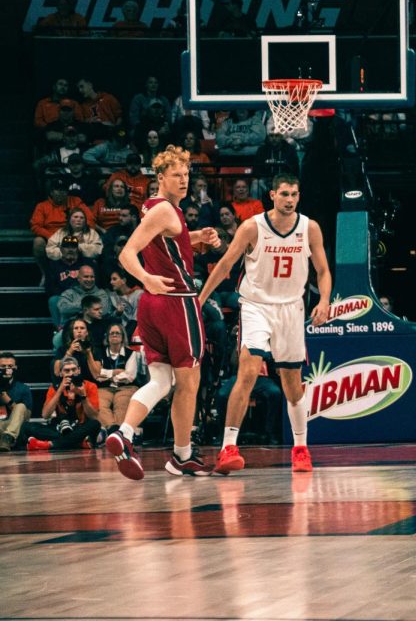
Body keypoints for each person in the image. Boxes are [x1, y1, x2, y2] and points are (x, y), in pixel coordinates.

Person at [197, 174, 331, 475]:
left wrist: (324, 300)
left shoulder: (309, 228)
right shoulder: (252, 227)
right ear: (272, 195)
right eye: (285, 194)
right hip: (256, 305)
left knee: (292, 383)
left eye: (295, 194)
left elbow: (322, 270)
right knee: (247, 369)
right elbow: (225, 265)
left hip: (291, 308)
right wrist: (201, 299)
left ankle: (300, 448)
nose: (290, 200)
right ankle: (228, 448)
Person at [105, 146, 220, 480]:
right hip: (176, 301)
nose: (184, 181)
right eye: (176, 175)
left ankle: (124, 433)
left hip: (153, 307)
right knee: (189, 382)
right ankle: (182, 455)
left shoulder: (156, 208)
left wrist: (196, 237)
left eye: (186, 175)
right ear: (160, 178)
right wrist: (145, 279)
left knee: (161, 380)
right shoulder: (166, 209)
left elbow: (166, 241)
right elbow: (127, 255)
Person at [25, 356, 101, 451]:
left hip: (80, 427)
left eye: (74, 370)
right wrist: (60, 390)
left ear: (79, 370)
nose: (71, 374)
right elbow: (45, 415)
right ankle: (77, 443)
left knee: (95, 424)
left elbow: (94, 416)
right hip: (61, 428)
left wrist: (83, 397)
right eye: (67, 371)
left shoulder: (90, 386)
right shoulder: (55, 388)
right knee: (27, 427)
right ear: (61, 373)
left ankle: (50, 444)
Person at [0, 353, 34, 451]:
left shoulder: (23, 388)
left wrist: (8, 400)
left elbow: (26, 417)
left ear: (15, 367)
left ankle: (8, 438)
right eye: (2, 366)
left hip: (15, 429)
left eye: (10, 366)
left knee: (21, 406)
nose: (6, 369)